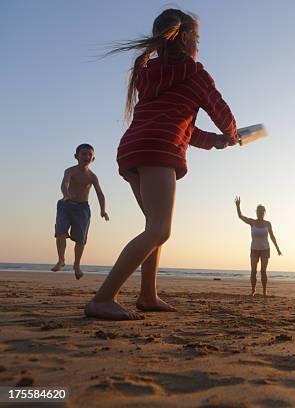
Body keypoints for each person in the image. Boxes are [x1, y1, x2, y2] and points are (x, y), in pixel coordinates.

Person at [85, 8, 239, 320]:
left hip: (134, 149)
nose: (199, 44)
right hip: (158, 151)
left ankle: (147, 294)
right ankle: (103, 298)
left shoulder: (147, 74)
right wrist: (232, 134)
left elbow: (183, 126)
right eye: (197, 38)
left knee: (152, 226)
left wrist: (214, 141)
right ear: (185, 38)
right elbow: (220, 110)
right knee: (160, 230)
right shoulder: (195, 73)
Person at [52, 144, 109, 280]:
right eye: (83, 154)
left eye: (89, 155)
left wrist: (103, 210)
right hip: (65, 205)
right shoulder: (70, 171)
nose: (86, 157)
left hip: (82, 209)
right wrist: (66, 194)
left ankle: (76, 265)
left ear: (93, 159)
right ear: (76, 156)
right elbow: (64, 183)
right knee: (61, 232)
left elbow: (100, 194)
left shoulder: (92, 177)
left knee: (81, 239)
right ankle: (61, 260)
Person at [234, 197, 282, 296]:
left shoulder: (268, 224)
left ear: (264, 212)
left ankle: (264, 291)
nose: (260, 213)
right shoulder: (252, 222)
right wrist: (238, 206)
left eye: (262, 212)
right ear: (256, 212)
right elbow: (241, 216)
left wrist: (277, 248)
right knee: (253, 271)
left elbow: (272, 236)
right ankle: (253, 290)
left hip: (265, 249)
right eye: (258, 211)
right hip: (254, 249)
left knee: (263, 271)